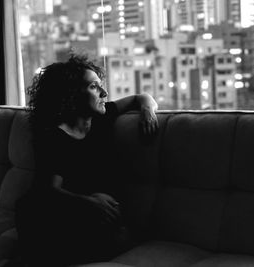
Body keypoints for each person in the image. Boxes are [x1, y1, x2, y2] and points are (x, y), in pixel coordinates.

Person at [15, 52, 159, 267]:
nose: (104, 92)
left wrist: (148, 111)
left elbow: (141, 98)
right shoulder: (54, 136)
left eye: (101, 85)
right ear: (71, 95)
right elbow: (48, 190)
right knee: (29, 205)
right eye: (94, 87)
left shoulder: (103, 117)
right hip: (72, 211)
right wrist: (89, 202)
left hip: (107, 213)